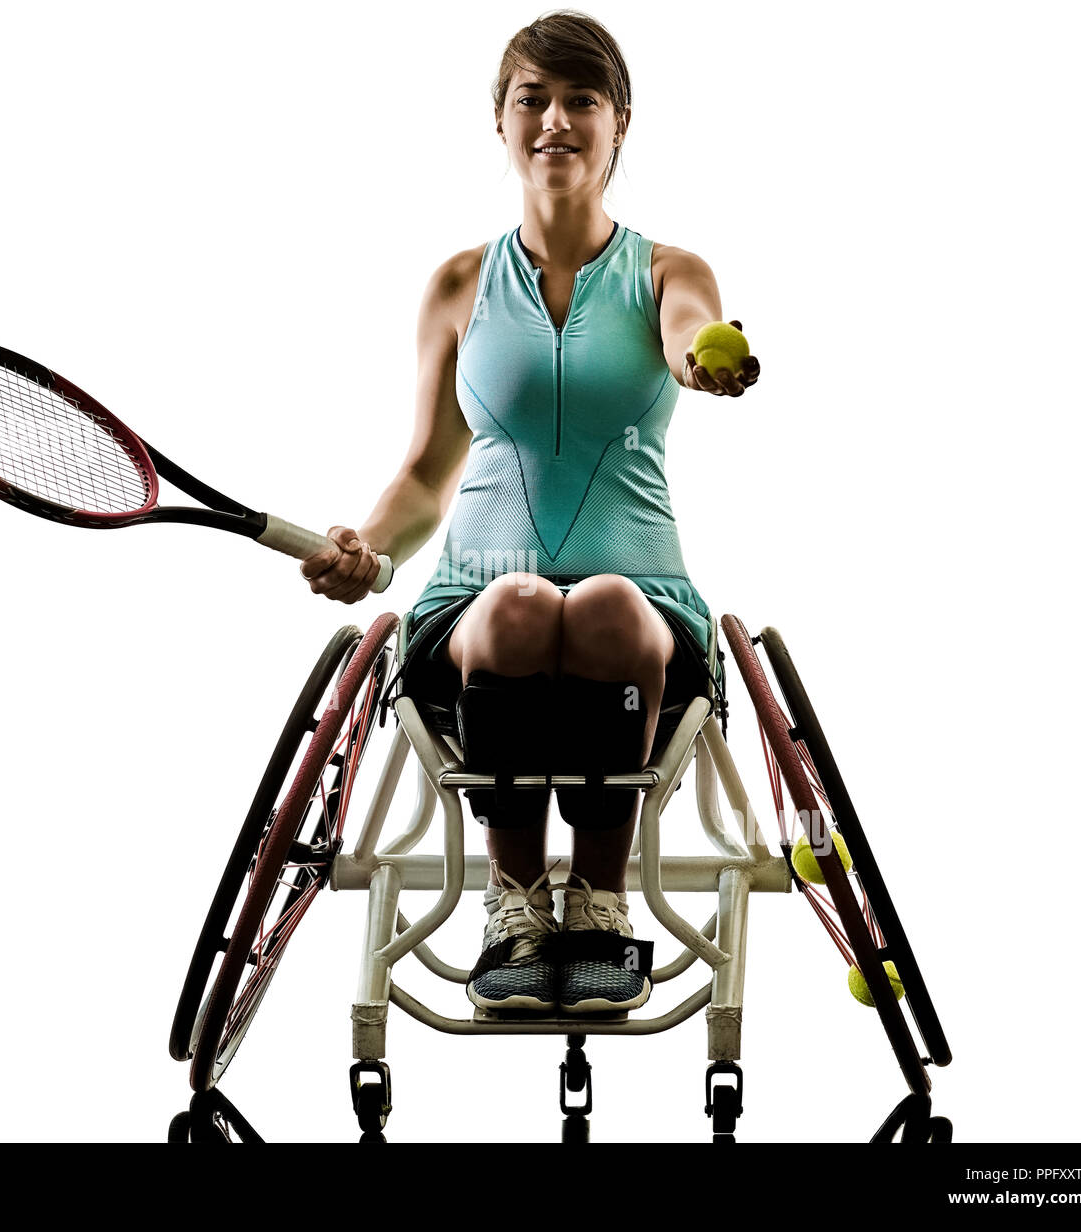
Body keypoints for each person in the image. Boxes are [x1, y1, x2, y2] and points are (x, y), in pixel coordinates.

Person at [298, 10, 758, 1017]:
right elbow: (425, 471)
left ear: (619, 121)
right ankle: (513, 895)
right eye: (532, 100)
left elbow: (688, 333)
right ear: (500, 123)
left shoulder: (667, 271)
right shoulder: (459, 284)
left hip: (640, 601)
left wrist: (702, 357)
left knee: (596, 605)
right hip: (474, 600)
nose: (555, 119)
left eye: (580, 100)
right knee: (514, 602)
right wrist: (368, 546)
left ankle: (597, 899)